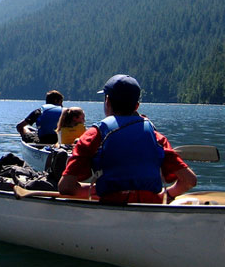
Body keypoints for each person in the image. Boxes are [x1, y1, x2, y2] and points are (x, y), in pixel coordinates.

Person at [58, 74, 197, 204]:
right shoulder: (156, 138)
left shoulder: (93, 135)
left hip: (109, 204)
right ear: (136, 106)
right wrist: (166, 196)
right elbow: (189, 181)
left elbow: (66, 187)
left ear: (107, 101)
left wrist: (97, 191)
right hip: (150, 206)